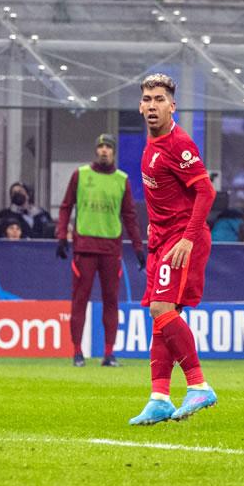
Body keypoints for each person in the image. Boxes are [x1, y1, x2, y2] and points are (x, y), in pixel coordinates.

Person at [129, 73, 218, 426]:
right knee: (159, 315)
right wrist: (157, 223)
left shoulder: (178, 144)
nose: (153, 105)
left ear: (172, 106)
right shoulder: (152, 142)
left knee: (163, 309)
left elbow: (205, 192)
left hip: (182, 241)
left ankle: (198, 385)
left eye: (160, 99)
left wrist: (186, 237)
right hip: (162, 238)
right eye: (148, 99)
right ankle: (159, 396)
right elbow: (165, 192)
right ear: (140, 106)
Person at [56, 133, 145, 368]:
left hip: (110, 249)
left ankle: (108, 354)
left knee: (111, 302)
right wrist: (61, 235)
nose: (104, 150)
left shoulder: (121, 179)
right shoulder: (81, 175)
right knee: (79, 301)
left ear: (114, 152)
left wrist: (138, 247)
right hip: (84, 247)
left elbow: (129, 216)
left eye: (108, 147)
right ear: (96, 150)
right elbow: (66, 206)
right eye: (101, 146)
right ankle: (77, 352)